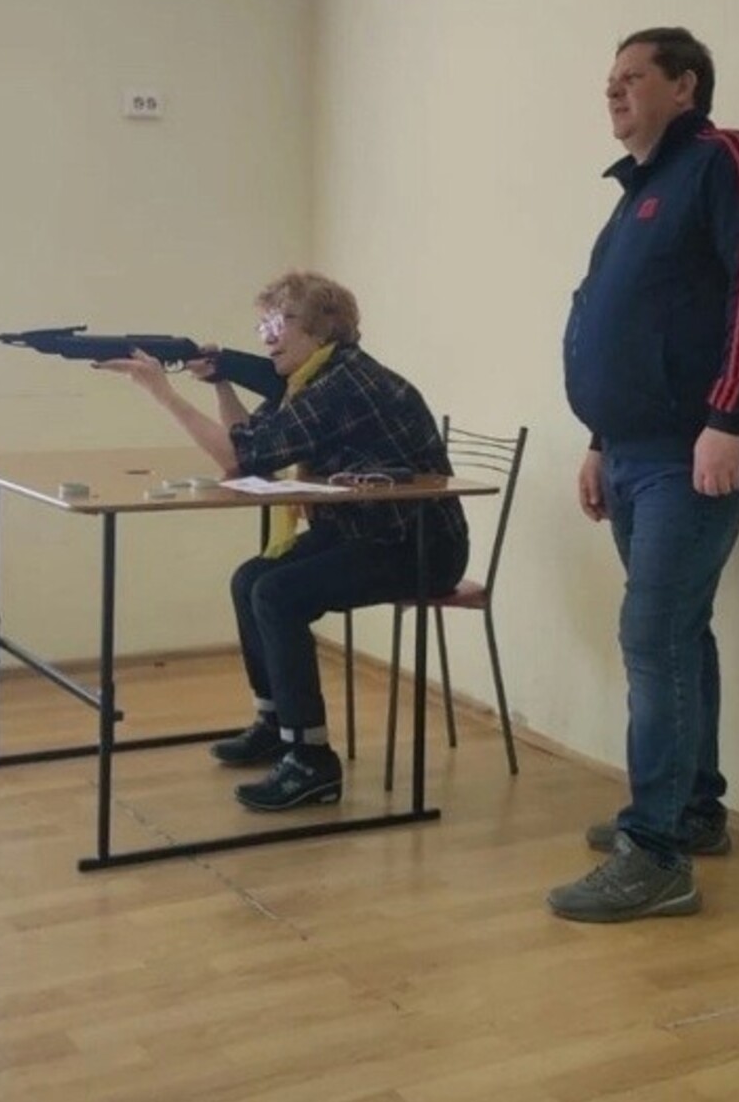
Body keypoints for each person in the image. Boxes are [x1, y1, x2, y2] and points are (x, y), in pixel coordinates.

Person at [548, 28, 739, 924]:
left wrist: (731, 415)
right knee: (677, 634)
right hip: (631, 452)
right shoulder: (636, 197)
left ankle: (654, 856)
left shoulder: (730, 159)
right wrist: (598, 439)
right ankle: (692, 811)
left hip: (690, 448)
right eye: (609, 79)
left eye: (633, 77)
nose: (613, 92)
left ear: (685, 86)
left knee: (652, 635)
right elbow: (615, 323)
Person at [99, 272, 468, 813]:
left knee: (277, 594)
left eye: (283, 321)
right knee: (251, 579)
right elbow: (251, 446)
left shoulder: (341, 386)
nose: (270, 335)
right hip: (364, 530)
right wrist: (221, 382)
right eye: (265, 324)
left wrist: (163, 392)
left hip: (415, 545)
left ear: (323, 328)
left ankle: (311, 760)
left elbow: (239, 457)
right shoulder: (313, 380)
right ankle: (276, 725)